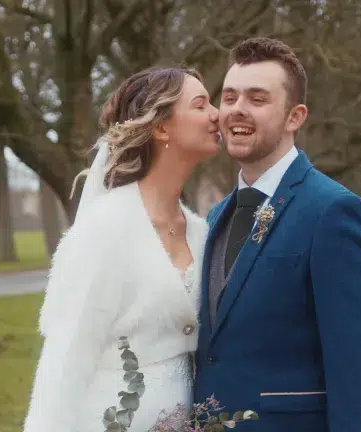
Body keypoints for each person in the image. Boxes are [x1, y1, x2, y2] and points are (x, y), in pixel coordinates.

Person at [193, 37, 361, 431]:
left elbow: (357, 365)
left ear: (295, 117)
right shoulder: (214, 218)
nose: (237, 110)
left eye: (257, 99)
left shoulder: (334, 212)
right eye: (229, 98)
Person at [22, 66, 221, 431]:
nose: (217, 114)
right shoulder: (105, 229)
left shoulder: (201, 232)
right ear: (161, 127)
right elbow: (65, 360)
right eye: (201, 105)